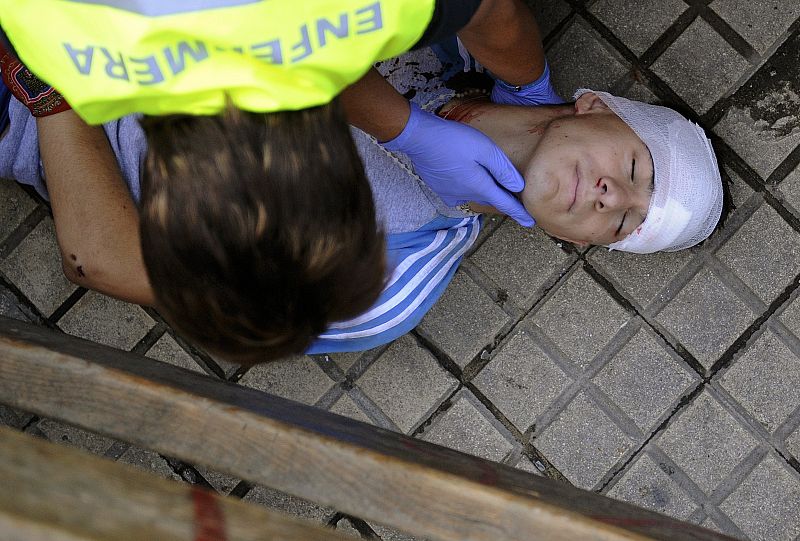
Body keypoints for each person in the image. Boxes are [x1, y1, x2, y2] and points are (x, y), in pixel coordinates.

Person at [0, 47, 727, 359]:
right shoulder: (438, 37)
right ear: (593, 104)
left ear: (578, 245)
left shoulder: (393, 277)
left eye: (625, 222)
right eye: (635, 166)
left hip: (32, 104)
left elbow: (105, 259)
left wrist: (47, 79)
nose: (612, 196)